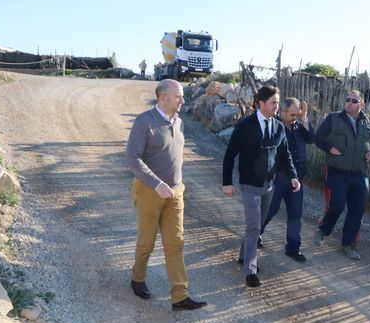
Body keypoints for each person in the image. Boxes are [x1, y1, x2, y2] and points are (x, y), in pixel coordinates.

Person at [125, 79, 206, 311]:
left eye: (181, 96)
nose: (182, 99)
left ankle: (180, 296)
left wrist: (176, 183)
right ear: (163, 98)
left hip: (175, 193)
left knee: (176, 243)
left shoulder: (179, 122)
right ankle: (137, 278)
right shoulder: (144, 122)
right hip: (149, 191)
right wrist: (156, 182)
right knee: (147, 241)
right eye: (178, 96)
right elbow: (132, 159)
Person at [222, 86, 300, 288]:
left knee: (256, 225)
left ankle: (242, 257)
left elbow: (285, 155)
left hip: (269, 185)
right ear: (261, 103)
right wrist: (227, 182)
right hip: (249, 184)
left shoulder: (279, 127)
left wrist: (293, 176)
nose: (277, 106)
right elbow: (230, 155)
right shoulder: (245, 126)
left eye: (277, 102)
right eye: (274, 102)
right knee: (254, 225)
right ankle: (250, 271)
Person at [313, 90, 370, 260]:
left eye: (354, 100)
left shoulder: (369, 122)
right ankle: (323, 230)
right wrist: (330, 148)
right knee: (337, 204)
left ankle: (348, 244)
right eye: (347, 100)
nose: (349, 103)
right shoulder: (334, 118)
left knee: (357, 209)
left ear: (362, 104)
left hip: (359, 173)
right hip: (337, 171)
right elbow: (318, 138)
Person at [259, 98, 315, 263]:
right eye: (292, 114)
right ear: (281, 112)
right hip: (278, 178)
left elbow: (312, 138)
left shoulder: (299, 125)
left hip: (296, 179)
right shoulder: (273, 126)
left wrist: (304, 118)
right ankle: (255, 235)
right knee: (269, 210)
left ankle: (293, 248)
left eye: (297, 114)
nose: (295, 117)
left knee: (295, 214)